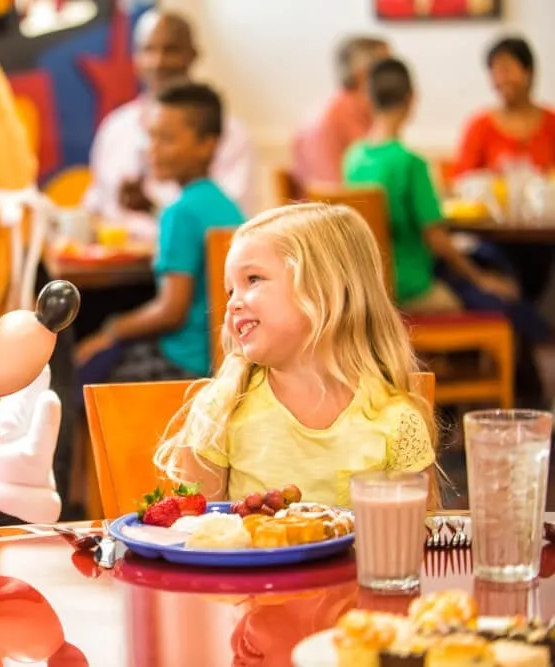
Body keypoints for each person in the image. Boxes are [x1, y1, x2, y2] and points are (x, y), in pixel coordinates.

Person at [153, 203, 440, 509]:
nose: (233, 303)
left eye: (253, 280)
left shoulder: (394, 418)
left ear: (324, 289)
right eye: (229, 291)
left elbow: (418, 540)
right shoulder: (221, 409)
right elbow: (192, 530)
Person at [343, 57, 550, 347]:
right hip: (413, 286)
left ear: (369, 99)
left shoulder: (355, 157)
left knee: (486, 263)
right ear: (411, 98)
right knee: (496, 292)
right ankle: (540, 353)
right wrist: (480, 279)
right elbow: (436, 238)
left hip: (372, 284)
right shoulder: (409, 163)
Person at [75, 82, 245, 388]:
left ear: (207, 144)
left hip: (183, 363)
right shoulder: (223, 204)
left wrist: (111, 329)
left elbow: (170, 311)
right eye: (151, 136)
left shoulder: (179, 213)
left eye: (166, 139)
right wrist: (152, 209)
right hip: (218, 360)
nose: (152, 149)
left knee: (86, 371)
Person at [81, 9, 256, 239]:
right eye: (148, 49)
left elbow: (222, 226)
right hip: (115, 265)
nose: (158, 61)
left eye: (171, 50)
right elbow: (95, 208)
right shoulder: (115, 128)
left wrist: (152, 208)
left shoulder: (227, 132)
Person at [292, 35, 390, 190]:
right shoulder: (332, 118)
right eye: (389, 69)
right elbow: (336, 194)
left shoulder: (360, 113)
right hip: (332, 211)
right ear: (362, 74)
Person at [454, 36, 555, 177]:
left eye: (506, 70)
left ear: (528, 72)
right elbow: (461, 180)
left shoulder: (551, 123)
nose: (501, 80)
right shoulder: (479, 127)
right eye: (495, 73)